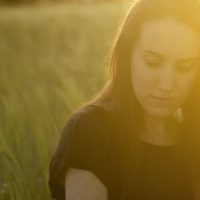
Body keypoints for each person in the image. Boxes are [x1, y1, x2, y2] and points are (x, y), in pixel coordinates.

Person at [48, 0, 200, 199]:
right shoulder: (88, 133)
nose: (167, 84)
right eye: (152, 63)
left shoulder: (193, 132)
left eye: (185, 67)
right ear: (127, 57)